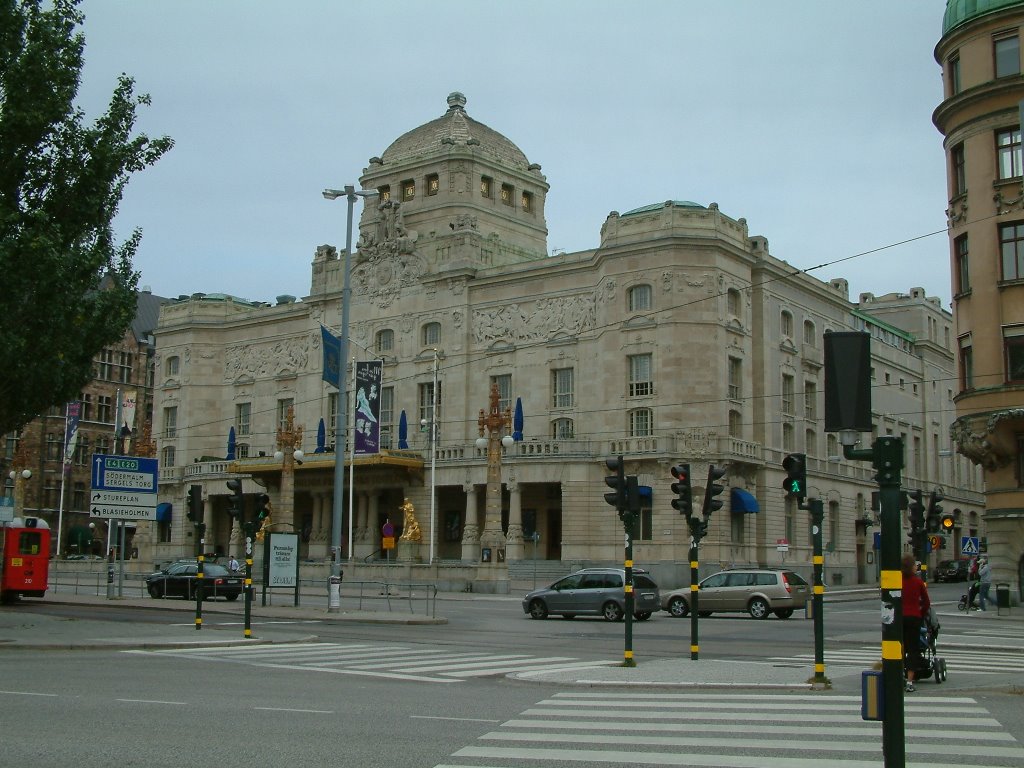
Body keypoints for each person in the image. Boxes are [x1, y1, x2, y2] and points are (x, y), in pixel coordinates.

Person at [902, 553, 931, 692]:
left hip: (899, 618)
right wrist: (922, 613)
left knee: (899, 647)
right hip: (914, 618)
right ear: (912, 567)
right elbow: (926, 602)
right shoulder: (918, 582)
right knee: (913, 649)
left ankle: (897, 676)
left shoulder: (897, 580)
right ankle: (909, 681)